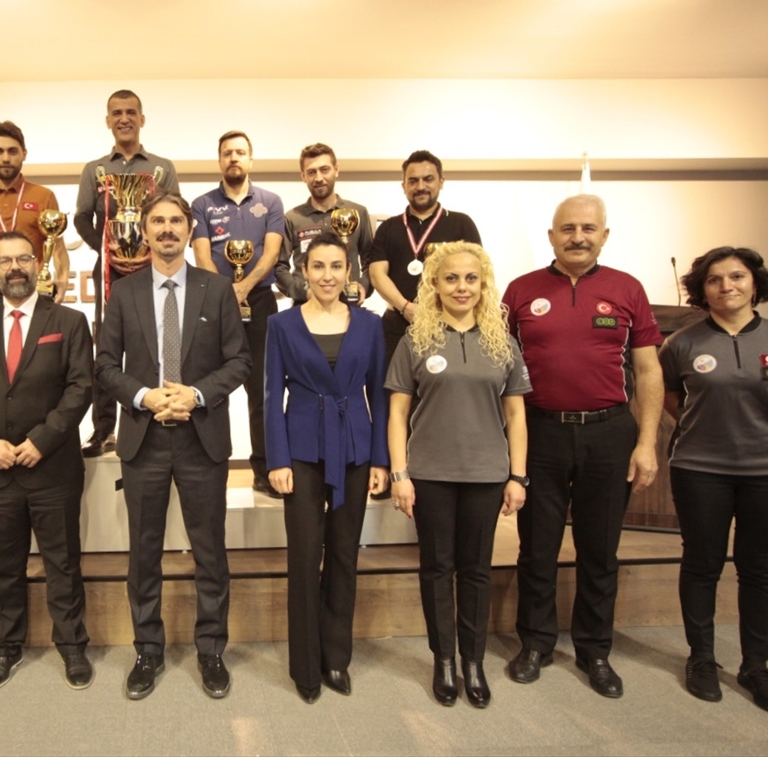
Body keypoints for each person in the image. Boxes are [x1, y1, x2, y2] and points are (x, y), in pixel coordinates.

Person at [502, 194, 663, 698]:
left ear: (604, 236)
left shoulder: (627, 289)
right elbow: (500, 367)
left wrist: (647, 442)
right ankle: (536, 643)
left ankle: (595, 650)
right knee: (537, 547)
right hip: (540, 432)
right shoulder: (521, 290)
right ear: (551, 236)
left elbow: (648, 370)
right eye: (568, 228)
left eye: (588, 228)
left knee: (600, 549)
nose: (578, 237)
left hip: (609, 433)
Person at [96, 193, 250, 700]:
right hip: (144, 440)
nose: (167, 229)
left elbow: (240, 361)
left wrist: (195, 394)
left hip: (201, 438)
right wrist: (145, 396)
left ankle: (211, 650)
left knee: (210, 552)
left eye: (176, 221)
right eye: (158, 221)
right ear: (144, 231)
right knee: (143, 554)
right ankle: (148, 651)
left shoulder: (218, 288)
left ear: (189, 229)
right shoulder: (124, 292)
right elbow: (105, 365)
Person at [660, 247, 768, 715]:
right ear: (701, 289)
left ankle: (756, 667)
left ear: (755, 283)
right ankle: (702, 659)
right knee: (701, 564)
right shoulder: (681, 344)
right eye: (714, 279)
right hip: (699, 470)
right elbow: (671, 399)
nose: (726, 286)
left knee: (761, 570)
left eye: (737, 276)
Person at [385, 242, 530, 708]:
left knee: (476, 571)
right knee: (436, 568)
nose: (461, 287)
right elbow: (397, 413)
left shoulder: (503, 343)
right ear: (434, 285)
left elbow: (517, 416)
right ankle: (444, 660)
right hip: (430, 474)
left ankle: (473, 661)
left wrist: (518, 477)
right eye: (451, 278)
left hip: (487, 475)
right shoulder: (416, 341)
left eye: (471, 278)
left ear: (483, 285)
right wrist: (400, 473)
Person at [0, 232, 94, 692]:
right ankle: (6, 649)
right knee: (4, 567)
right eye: (4, 260)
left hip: (52, 468)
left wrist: (42, 440)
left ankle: (72, 646)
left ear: (37, 264)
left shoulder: (68, 321)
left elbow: (80, 388)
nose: (15, 267)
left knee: (63, 564)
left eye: (23, 258)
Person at [264, 233, 389, 703]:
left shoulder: (370, 325)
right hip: (300, 451)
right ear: (304, 271)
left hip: (354, 449)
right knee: (303, 556)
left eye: (336, 266)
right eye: (318, 266)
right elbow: (270, 396)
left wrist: (381, 459)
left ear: (349, 270)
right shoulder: (281, 324)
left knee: (343, 554)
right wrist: (277, 459)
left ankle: (336, 657)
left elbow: (380, 395)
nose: (327, 276)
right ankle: (305, 665)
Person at [74, 90, 181, 458]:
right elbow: (81, 217)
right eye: (117, 113)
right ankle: (103, 429)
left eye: (131, 112)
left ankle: (152, 417)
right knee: (106, 349)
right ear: (108, 121)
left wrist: (152, 252)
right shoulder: (94, 170)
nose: (124, 118)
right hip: (110, 272)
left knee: (151, 345)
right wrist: (106, 249)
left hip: (154, 272)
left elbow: (174, 214)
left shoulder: (162, 167)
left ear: (142, 119)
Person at [191, 130, 284, 497]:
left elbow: (272, 252)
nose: (234, 158)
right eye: (227, 152)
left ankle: (264, 470)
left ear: (250, 160)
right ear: (219, 160)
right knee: (213, 390)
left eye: (240, 152)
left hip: (260, 302)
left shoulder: (270, 202)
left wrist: (244, 287)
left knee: (262, 391)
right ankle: (212, 471)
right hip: (214, 303)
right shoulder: (202, 204)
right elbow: (201, 255)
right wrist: (226, 293)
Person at [368, 150, 481, 363]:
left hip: (449, 324)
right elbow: (376, 274)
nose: (420, 186)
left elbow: (477, 273)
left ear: (441, 181)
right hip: (397, 325)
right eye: (413, 181)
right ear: (404, 185)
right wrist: (405, 307)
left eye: (428, 179)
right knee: (393, 383)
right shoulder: (388, 228)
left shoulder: (461, 224)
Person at [0, 121, 69, 314]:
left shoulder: (44, 196)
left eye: (12, 151)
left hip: (32, 289)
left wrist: (63, 280)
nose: (5, 158)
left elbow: (57, 247)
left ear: (24, 154)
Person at [276, 143, 375, 306]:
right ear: (303, 176)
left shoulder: (357, 213)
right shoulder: (292, 218)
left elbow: (371, 261)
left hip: (349, 304)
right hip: (304, 306)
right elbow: (279, 267)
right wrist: (303, 291)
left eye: (324, 169)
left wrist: (363, 286)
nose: (318, 178)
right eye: (311, 172)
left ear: (336, 170)